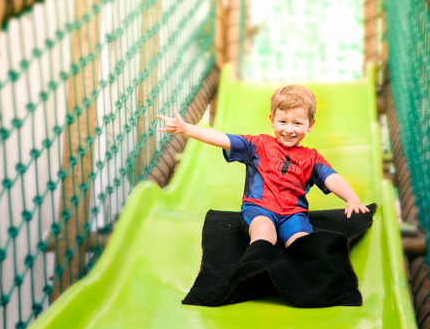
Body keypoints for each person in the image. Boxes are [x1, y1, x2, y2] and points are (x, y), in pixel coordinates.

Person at [157, 85, 369, 248]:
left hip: (293, 214)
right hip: (258, 209)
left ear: (310, 125)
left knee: (302, 241)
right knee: (264, 230)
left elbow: (333, 178)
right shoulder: (258, 145)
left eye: (297, 123)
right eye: (283, 122)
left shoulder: (310, 158)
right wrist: (186, 129)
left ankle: (299, 268)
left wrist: (351, 198)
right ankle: (257, 261)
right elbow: (221, 138)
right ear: (272, 120)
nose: (289, 129)